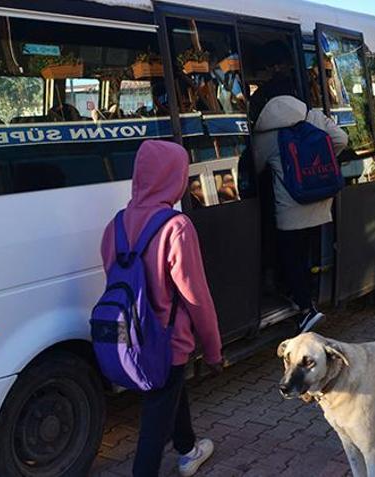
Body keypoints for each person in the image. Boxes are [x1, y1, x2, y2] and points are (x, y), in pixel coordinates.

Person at [100, 140, 224, 476]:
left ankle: (187, 449)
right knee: (153, 425)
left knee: (169, 390)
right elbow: (196, 298)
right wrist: (213, 351)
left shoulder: (116, 225)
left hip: (131, 338)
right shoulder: (176, 227)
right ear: (176, 177)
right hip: (167, 343)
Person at [252, 86, 349, 333]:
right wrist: (321, 166)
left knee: (291, 257)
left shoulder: (266, 135)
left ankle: (306, 311)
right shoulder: (313, 117)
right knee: (307, 254)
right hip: (320, 202)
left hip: (290, 211)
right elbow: (342, 139)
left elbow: (254, 166)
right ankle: (308, 296)